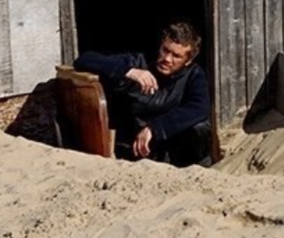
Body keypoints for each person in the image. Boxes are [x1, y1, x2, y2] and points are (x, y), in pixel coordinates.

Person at [74, 21, 213, 167]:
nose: (167, 59)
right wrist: (128, 71)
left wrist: (155, 128)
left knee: (200, 127)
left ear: (188, 60)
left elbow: (199, 108)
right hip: (134, 146)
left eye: (176, 56)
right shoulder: (140, 61)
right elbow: (84, 60)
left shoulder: (194, 75)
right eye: (165, 50)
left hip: (170, 144)